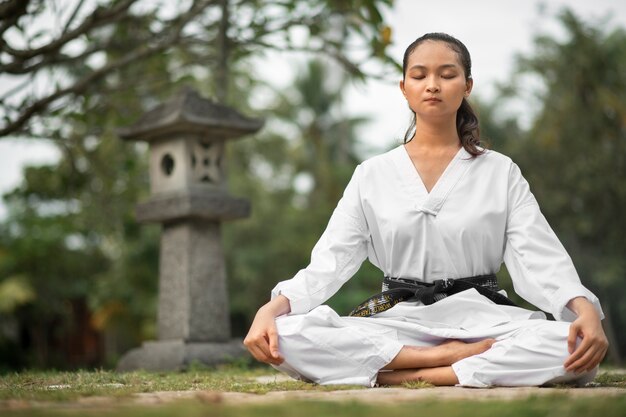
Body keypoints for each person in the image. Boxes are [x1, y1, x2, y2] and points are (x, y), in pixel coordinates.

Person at [244, 32, 609, 387]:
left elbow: (537, 256)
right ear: (404, 87)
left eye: (447, 74)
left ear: (467, 86)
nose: (432, 84)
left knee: (573, 346)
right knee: (288, 332)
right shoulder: (372, 174)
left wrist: (584, 310)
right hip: (398, 321)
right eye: (419, 75)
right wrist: (271, 310)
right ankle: (433, 360)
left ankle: (412, 375)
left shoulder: (500, 171)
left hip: (483, 319)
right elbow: (330, 261)